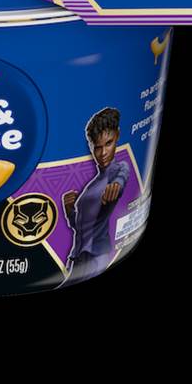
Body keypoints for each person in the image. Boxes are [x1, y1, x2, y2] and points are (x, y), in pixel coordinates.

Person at [62, 107, 129, 284]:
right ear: (91, 147)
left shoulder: (118, 170)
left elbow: (123, 173)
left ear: (117, 136)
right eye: (97, 147)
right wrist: (70, 211)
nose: (103, 153)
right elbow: (82, 227)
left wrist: (117, 185)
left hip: (96, 257)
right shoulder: (92, 185)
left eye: (109, 143)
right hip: (79, 258)